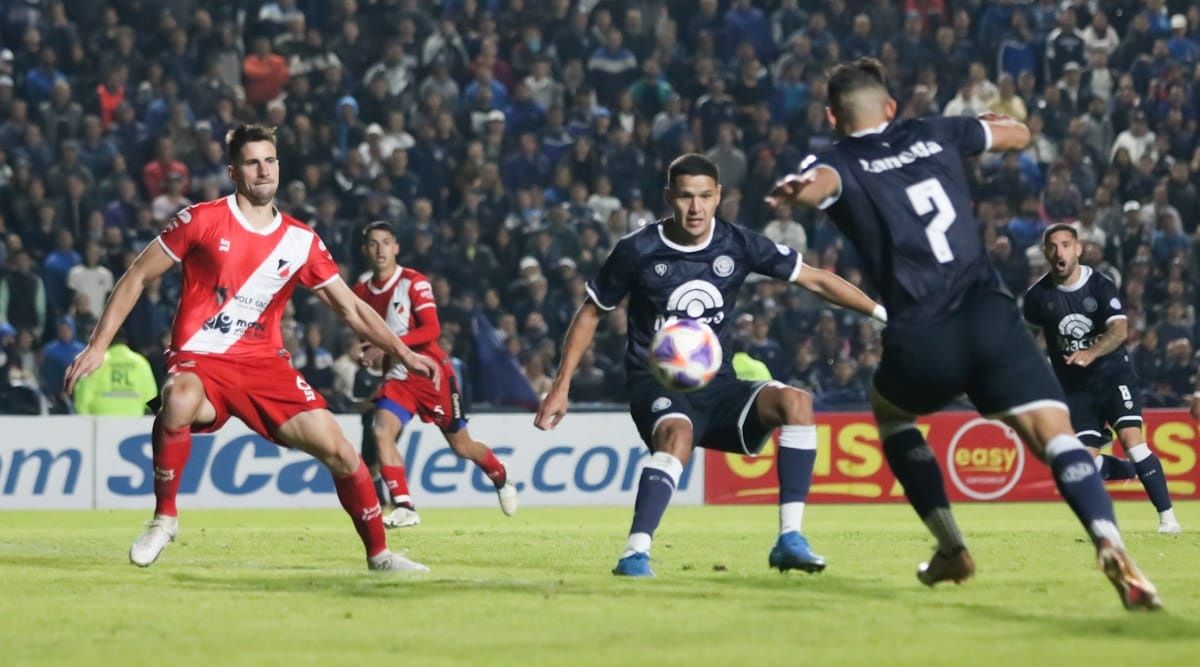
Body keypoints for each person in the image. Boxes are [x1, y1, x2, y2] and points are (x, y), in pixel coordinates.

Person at [767, 58, 1160, 610]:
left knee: (891, 411)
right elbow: (1018, 134)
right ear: (892, 107)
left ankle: (952, 547)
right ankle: (1109, 540)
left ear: (833, 116)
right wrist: (995, 121)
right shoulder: (933, 130)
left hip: (923, 331)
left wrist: (797, 190)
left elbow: (816, 185)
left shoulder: (837, 159)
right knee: (1053, 433)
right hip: (989, 315)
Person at [64, 124, 441, 574]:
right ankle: (165, 518)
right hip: (201, 360)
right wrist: (97, 346)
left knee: (343, 453)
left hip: (265, 367)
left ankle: (380, 555)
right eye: (252, 162)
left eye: (270, 160)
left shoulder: (301, 240)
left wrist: (405, 351)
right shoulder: (201, 219)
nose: (264, 170)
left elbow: (352, 309)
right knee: (178, 399)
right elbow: (137, 276)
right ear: (233, 171)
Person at [535, 153, 886, 578]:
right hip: (657, 384)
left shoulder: (738, 243)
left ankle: (790, 540)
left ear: (719, 196)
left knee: (796, 403)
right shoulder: (637, 250)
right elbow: (592, 312)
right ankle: (634, 553)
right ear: (669, 197)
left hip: (719, 386)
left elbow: (814, 278)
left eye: (704, 196)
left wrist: (884, 315)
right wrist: (561, 385)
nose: (695, 208)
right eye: (685, 197)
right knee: (677, 433)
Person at [352, 221, 517, 528]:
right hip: (398, 378)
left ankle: (500, 475)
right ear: (365, 250)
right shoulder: (360, 292)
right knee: (381, 431)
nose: (380, 249)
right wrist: (365, 352)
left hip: (432, 375)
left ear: (396, 247)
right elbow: (365, 336)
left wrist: (385, 347)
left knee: (462, 447)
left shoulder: (414, 282)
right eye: (373, 243)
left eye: (386, 242)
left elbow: (432, 330)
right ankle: (404, 504)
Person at [1024, 224, 1180, 534]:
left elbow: (1120, 330)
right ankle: (1133, 471)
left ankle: (1168, 519)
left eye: (1066, 245)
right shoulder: (1037, 297)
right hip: (1075, 387)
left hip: (1112, 375)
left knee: (1132, 441)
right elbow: (1027, 337)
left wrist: (1091, 353)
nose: (1060, 252)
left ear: (1078, 249)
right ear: (1045, 253)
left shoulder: (1099, 285)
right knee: (1081, 465)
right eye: (1053, 247)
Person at [72, 328, 157, 416]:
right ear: (125, 341)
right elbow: (151, 397)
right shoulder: (141, 363)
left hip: (101, 423)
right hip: (133, 422)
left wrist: (85, 421)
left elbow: (82, 396)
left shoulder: (96, 362)